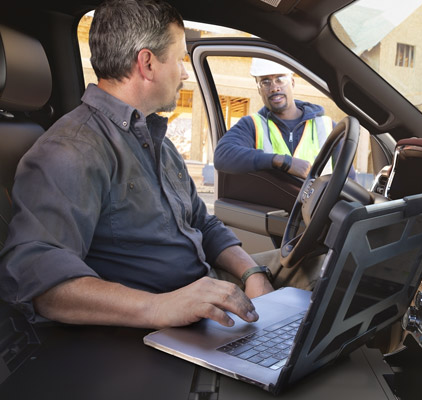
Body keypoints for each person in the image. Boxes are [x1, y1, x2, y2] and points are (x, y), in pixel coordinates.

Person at [0, 0, 274, 330]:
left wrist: (251, 272)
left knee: (315, 272)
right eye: (180, 59)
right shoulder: (71, 149)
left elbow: (202, 222)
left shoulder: (158, 141)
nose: (185, 72)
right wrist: (159, 307)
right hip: (155, 331)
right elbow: (35, 273)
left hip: (206, 299)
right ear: (147, 63)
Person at [214, 58, 354, 180]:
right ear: (258, 90)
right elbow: (222, 155)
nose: (274, 88)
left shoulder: (328, 127)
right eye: (265, 82)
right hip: (272, 208)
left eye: (280, 79)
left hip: (318, 209)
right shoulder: (252, 125)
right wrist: (282, 161)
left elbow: (349, 181)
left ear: (292, 83)